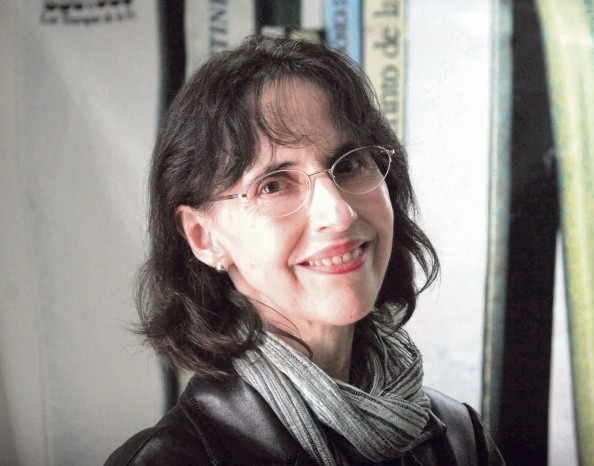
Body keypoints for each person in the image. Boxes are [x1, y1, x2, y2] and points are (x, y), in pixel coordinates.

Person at [106, 36, 504, 465]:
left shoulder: (461, 439)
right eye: (274, 185)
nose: (339, 213)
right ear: (205, 237)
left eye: (349, 164)